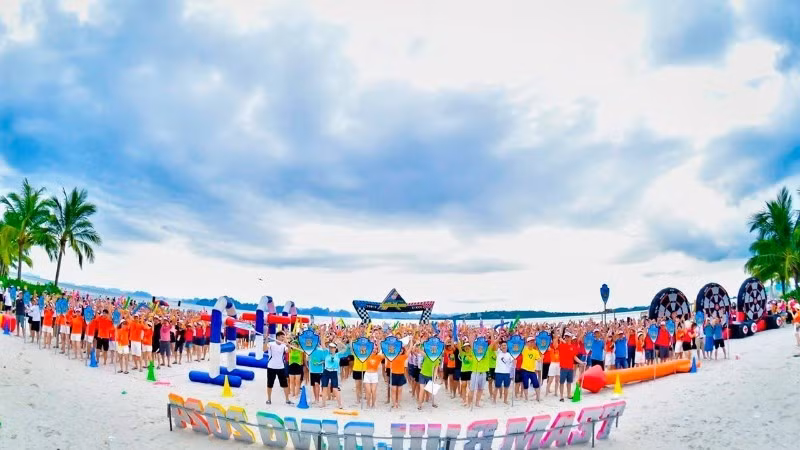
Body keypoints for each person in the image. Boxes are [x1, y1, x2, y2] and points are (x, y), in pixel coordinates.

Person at [266, 331, 292, 405]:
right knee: (270, 384)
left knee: (285, 384)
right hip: (271, 367)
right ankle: (269, 399)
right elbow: (264, 349)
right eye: (282, 337)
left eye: (284, 337)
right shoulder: (271, 344)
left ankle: (287, 400)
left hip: (281, 367)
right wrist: (266, 340)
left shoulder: (283, 346)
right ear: (277, 337)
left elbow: (288, 351)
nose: (283, 338)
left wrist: (288, 345)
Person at [558, 332, 583, 402]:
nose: (566, 338)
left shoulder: (573, 347)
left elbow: (574, 357)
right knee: (562, 382)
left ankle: (569, 395)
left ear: (570, 338)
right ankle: (561, 396)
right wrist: (559, 337)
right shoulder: (561, 345)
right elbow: (556, 343)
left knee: (569, 382)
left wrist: (581, 362)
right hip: (563, 367)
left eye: (568, 337)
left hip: (570, 368)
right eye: (565, 337)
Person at [492, 340, 515, 404]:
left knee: (506, 387)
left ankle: (505, 400)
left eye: (505, 345)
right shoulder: (498, 352)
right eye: (502, 345)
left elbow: (513, 362)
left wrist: (514, 362)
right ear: (500, 347)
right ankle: (494, 400)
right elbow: (494, 343)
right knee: (496, 387)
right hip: (499, 373)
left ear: (507, 346)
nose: (504, 346)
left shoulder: (509, 354)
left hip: (507, 373)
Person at [520, 336, 541, 402]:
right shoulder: (524, 349)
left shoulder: (535, 352)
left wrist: (542, 357)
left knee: (536, 384)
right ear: (527, 343)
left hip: (532, 370)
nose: (532, 343)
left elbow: (538, 359)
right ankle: (526, 398)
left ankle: (538, 397)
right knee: (525, 384)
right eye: (530, 342)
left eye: (533, 342)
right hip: (524, 370)